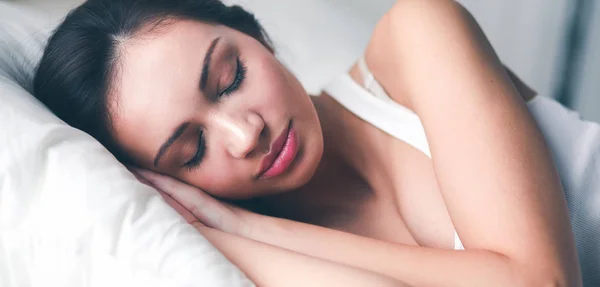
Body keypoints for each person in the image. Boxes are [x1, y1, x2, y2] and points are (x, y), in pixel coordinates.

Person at [34, 0, 600, 285]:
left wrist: (246, 225)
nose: (245, 131)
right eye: (192, 151)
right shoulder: (263, 268)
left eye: (231, 77)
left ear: (253, 32)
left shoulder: (416, 32)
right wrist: (232, 240)